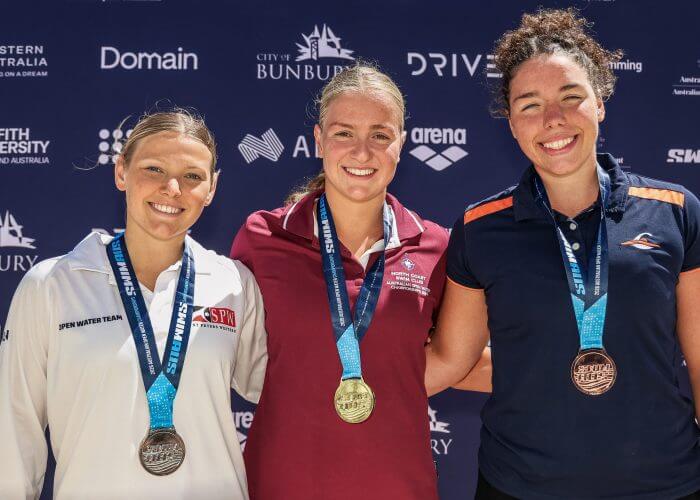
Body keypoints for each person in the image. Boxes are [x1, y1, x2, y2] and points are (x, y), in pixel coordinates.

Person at [427, 8, 700, 499]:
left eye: (571, 97)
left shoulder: (675, 212)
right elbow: (452, 360)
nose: (552, 119)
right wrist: (326, 379)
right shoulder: (480, 228)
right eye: (529, 105)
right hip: (519, 486)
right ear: (512, 123)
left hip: (665, 484)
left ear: (600, 104)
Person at [231, 62, 489, 500]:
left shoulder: (436, 246)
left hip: (399, 487)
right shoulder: (263, 237)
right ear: (319, 140)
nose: (362, 152)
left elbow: (455, 357)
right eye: (344, 133)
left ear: (401, 143)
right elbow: (223, 349)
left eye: (380, 135)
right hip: (281, 484)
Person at [0, 110, 267, 499]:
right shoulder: (51, 285)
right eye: (154, 169)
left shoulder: (234, 283)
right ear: (121, 171)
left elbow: (283, 393)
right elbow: (13, 431)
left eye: (192, 176)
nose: (172, 188)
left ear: (211, 188)